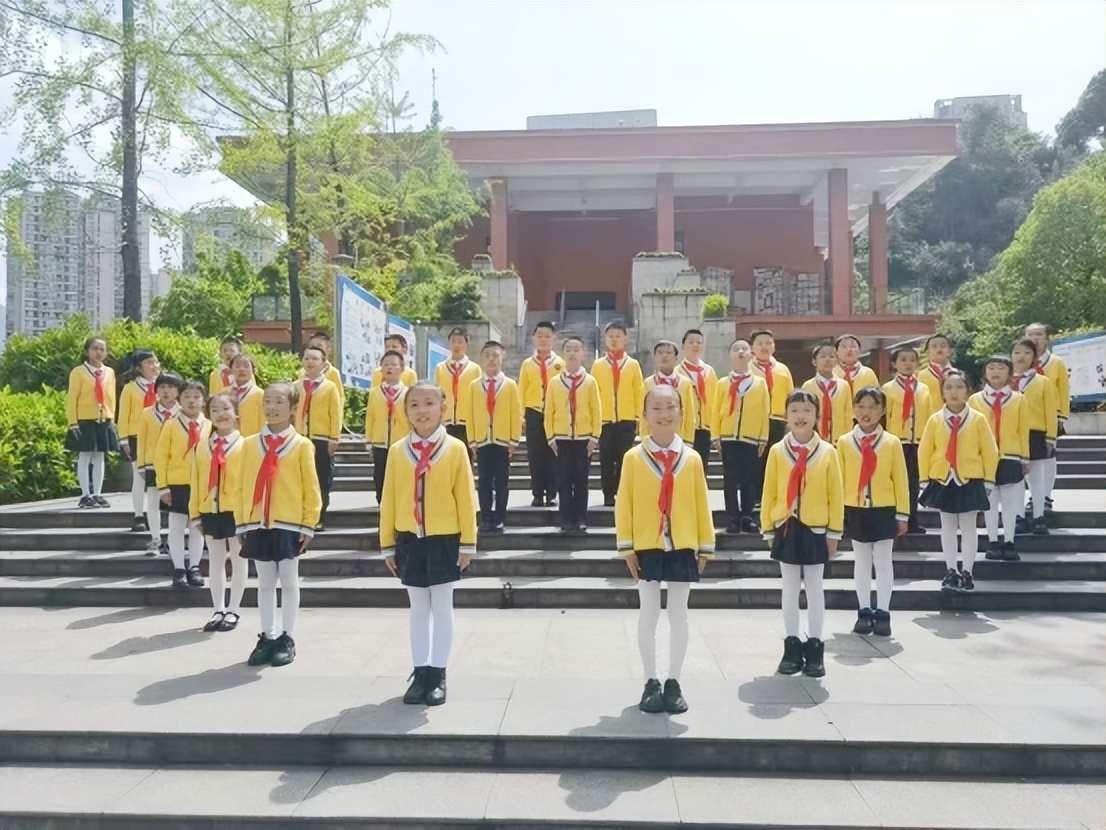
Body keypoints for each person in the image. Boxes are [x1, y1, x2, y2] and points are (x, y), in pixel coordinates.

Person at [616, 384, 714, 715]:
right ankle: (650, 680)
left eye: (670, 406)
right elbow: (624, 504)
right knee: (648, 612)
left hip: (683, 543)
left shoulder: (692, 458)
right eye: (656, 408)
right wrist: (627, 547)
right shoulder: (633, 458)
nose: (664, 414)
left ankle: (674, 681)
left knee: (679, 614)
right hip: (647, 545)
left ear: (681, 413)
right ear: (644, 415)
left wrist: (705, 546)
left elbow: (702, 502)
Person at [380, 382, 477, 706]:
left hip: (445, 538)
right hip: (409, 538)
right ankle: (420, 672)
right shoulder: (397, 451)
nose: (422, 411)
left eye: (429, 403)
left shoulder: (454, 448)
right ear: (405, 412)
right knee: (418, 608)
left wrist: (468, 542)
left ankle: (438, 673)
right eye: (415, 405)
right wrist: (387, 543)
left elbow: (465, 497)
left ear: (443, 408)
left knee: (442, 606)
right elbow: (389, 499)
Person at [236, 382, 322, 668]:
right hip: (257, 521)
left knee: (288, 580)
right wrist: (241, 521)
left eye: (279, 403)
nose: (272, 408)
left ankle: (287, 636)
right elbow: (240, 485)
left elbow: (311, 487)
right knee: (264, 582)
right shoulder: (249, 445)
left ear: (293, 408)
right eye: (268, 402)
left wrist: (309, 523)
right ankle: (267, 636)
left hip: (289, 522)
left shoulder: (301, 446)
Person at [761, 389, 843, 678]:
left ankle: (816, 647)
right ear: (786, 415)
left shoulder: (828, 452)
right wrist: (768, 528)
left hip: (817, 528)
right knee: (789, 587)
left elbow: (836, 493)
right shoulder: (776, 451)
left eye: (807, 411)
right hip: (786, 525)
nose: (800, 416)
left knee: (816, 587)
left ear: (817, 417)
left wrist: (834, 533)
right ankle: (791, 645)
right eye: (794, 410)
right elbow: (769, 491)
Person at [837, 387, 909, 637]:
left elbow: (900, 479)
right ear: (854, 409)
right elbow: (840, 479)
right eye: (861, 407)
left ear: (883, 411)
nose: (866, 412)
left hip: (884, 508)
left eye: (873, 407)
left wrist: (903, 514)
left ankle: (884, 612)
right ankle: (864, 610)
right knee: (861, 561)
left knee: (883, 561)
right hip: (856, 508)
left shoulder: (891, 442)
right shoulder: (845, 442)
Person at [919, 370, 998, 593]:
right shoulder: (935, 420)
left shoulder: (978, 419)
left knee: (969, 527)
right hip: (944, 478)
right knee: (948, 526)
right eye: (949, 388)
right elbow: (925, 451)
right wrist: (925, 478)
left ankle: (968, 570)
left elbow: (990, 451)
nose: (954, 393)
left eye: (959, 387)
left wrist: (989, 480)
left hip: (970, 478)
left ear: (968, 391)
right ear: (942, 392)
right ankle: (950, 569)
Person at [190, 392, 246, 632]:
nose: (221, 414)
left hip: (236, 511)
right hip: (210, 509)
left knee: (239, 558)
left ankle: (234, 609)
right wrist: (195, 513)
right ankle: (218, 609)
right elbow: (196, 479)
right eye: (215, 410)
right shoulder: (203, 446)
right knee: (215, 560)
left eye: (226, 409)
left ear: (236, 413)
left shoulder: (245, 445)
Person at [969, 355, 1029, 561]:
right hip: (985, 458)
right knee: (990, 502)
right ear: (985, 373)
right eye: (991, 368)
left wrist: (1025, 458)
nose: (996, 372)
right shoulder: (975, 400)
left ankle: (1010, 541)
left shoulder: (1019, 399)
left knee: (1011, 503)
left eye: (1001, 368)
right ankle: (992, 541)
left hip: (1011, 455)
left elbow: (1023, 430)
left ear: (1010, 372)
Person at [155, 380, 211, 588]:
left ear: (203, 400)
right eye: (187, 396)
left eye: (196, 396)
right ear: (180, 399)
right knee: (176, 528)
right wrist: (163, 486)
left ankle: (194, 567)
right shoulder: (171, 425)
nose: (192, 401)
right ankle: (178, 567)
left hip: (202, 485)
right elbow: (161, 456)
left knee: (197, 528)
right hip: (177, 484)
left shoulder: (210, 425)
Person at [710, 339, 770, 534]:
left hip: (750, 437)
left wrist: (763, 437)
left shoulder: (759, 384)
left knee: (749, 478)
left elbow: (764, 411)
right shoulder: (722, 383)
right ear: (730, 356)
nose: (740, 352)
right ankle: (732, 518)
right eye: (736, 349)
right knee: (730, 479)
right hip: (728, 437)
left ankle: (747, 516)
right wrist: (716, 435)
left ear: (751, 354)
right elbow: (715, 409)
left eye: (744, 348)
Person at [545, 337, 601, 534]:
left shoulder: (590, 381)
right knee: (564, 480)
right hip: (562, 438)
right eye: (568, 349)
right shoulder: (555, 382)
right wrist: (551, 437)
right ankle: (566, 518)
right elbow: (548, 411)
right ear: (563, 354)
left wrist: (594, 437)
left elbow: (596, 410)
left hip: (583, 439)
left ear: (583, 353)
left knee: (581, 481)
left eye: (576, 349)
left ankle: (581, 518)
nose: (572, 353)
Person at [467, 341, 521, 534]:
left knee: (501, 482)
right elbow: (470, 414)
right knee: (484, 481)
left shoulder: (510, 385)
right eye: (487, 355)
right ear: (481, 359)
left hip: (502, 440)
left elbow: (516, 414)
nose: (491, 359)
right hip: (482, 440)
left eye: (495, 355)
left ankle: (499, 517)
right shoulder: (474, 385)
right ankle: (486, 517)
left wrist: (514, 440)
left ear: (502, 358)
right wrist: (472, 440)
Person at [591, 321, 644, 507]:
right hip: (604, 419)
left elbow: (639, 391)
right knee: (606, 458)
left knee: (624, 457)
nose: (614, 340)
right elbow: (593, 392)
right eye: (610, 337)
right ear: (605, 339)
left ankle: (620, 490)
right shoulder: (598, 365)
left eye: (618, 336)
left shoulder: (633, 365)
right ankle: (607, 494)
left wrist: (639, 416)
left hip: (627, 418)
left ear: (625, 339)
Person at [882, 346, 933, 535]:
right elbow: (884, 417)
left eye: (912, 359)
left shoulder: (924, 389)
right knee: (895, 483)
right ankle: (893, 520)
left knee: (912, 483)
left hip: (918, 442)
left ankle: (913, 520)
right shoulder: (888, 389)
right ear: (895, 364)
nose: (908, 363)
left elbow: (929, 416)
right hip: (896, 442)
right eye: (903, 359)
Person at [1011, 338, 1058, 536]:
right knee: (1015, 480)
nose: (1021, 357)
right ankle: (1018, 517)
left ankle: (1038, 517)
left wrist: (1050, 438)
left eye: (1027, 353)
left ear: (1034, 357)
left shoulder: (1042, 381)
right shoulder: (1004, 381)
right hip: (1011, 435)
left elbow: (1050, 412)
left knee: (1036, 479)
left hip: (1036, 434)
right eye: (1017, 352)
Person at [66, 336, 119, 509]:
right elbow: (72, 398)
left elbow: (111, 397)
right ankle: (85, 494)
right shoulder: (79, 372)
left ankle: (97, 493)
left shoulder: (109, 372)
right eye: (95, 348)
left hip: (103, 418)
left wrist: (111, 416)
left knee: (100, 456)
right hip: (84, 419)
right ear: (87, 351)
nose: (98, 352)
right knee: (85, 455)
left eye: (102, 349)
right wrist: (73, 422)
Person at [1023, 323, 1069, 519]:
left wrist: (1062, 415)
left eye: (1039, 334)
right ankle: (1034, 495)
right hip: (1026, 418)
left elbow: (1064, 390)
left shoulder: (1055, 362)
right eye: (1031, 334)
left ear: (1047, 338)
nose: (1035, 338)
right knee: (1028, 458)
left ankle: (1046, 496)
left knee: (1049, 457)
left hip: (1050, 416)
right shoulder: (1021, 362)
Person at [295, 346, 343, 530]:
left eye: (315, 359)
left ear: (323, 364)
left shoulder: (330, 387)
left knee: (321, 478)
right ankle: (301, 516)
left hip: (321, 439)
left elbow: (335, 413)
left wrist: (334, 438)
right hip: (300, 438)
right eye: (307, 358)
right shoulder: (296, 386)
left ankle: (319, 517)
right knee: (300, 478)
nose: (310, 362)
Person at [518, 321, 565, 507]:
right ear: (534, 339)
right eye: (540, 336)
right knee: (535, 454)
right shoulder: (527, 364)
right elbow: (521, 390)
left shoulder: (560, 363)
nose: (543, 340)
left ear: (554, 339)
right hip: (534, 412)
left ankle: (552, 493)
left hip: (554, 413)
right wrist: (521, 416)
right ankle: (537, 492)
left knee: (553, 452)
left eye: (547, 336)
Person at [137, 373, 183, 555]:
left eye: (171, 387)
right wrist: (141, 464)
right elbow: (142, 440)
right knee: (153, 502)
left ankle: (173, 540)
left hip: (177, 465)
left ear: (178, 391)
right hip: (152, 463)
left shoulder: (183, 413)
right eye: (162, 387)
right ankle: (155, 539)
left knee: (176, 506)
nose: (166, 391)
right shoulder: (147, 413)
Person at [117, 349, 161, 530]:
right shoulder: (130, 388)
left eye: (156, 362)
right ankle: (138, 515)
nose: (154, 366)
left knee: (158, 477)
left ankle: (156, 513)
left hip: (160, 436)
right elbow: (123, 415)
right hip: (137, 436)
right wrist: (124, 439)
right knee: (139, 476)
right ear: (139, 368)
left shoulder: (163, 387)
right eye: (149, 363)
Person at [749, 329, 794, 493]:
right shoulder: (747, 369)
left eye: (768, 343)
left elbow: (791, 396)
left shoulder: (783, 369)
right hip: (755, 421)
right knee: (755, 460)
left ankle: (773, 493)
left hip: (778, 420)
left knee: (775, 458)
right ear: (752, 347)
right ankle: (756, 497)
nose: (764, 347)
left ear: (774, 347)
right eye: (760, 343)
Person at [365, 350, 411, 504]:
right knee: (380, 477)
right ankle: (382, 509)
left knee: (401, 477)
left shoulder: (408, 393)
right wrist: (369, 441)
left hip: (401, 442)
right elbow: (370, 417)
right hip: (380, 442)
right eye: (385, 364)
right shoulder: (374, 393)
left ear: (402, 368)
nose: (389, 368)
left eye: (393, 364)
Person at [641, 341, 696, 444]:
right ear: (655, 358)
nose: (664, 356)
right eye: (660, 353)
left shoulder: (685, 383)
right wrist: (645, 438)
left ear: (676, 358)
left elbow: (689, 414)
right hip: (653, 439)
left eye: (669, 353)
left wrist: (689, 440)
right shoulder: (648, 383)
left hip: (679, 439)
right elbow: (643, 414)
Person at [435, 327, 481, 446]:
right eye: (453, 341)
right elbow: (437, 395)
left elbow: (479, 397)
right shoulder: (441, 368)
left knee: (466, 458)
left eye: (460, 342)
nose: (456, 345)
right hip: (446, 420)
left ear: (467, 345)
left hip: (467, 422)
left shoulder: (474, 368)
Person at [678, 328, 718, 463]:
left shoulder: (709, 371)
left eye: (699, 342)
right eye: (691, 342)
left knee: (702, 465)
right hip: (684, 427)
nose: (695, 345)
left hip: (705, 427)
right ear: (683, 346)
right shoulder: (677, 372)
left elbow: (715, 400)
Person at [802, 343, 852, 444]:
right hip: (814, 439)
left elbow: (848, 414)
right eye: (823, 356)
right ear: (814, 361)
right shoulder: (807, 386)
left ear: (836, 361)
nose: (828, 360)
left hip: (839, 439)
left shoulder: (844, 385)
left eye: (832, 356)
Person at [300, 331, 345, 405]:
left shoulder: (333, 373)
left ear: (328, 349)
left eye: (319, 345)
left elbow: (340, 398)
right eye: (312, 345)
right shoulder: (303, 372)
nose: (315, 348)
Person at [228, 354, 265, 437]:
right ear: (231, 370)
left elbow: (264, 422)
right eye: (237, 366)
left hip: (252, 440)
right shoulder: (224, 393)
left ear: (253, 370)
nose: (242, 369)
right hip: (229, 441)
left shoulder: (260, 394)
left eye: (246, 366)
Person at [919, 333, 955, 404]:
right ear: (928, 352)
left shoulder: (957, 374)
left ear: (949, 351)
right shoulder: (922, 376)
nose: (939, 349)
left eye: (943, 346)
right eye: (934, 346)